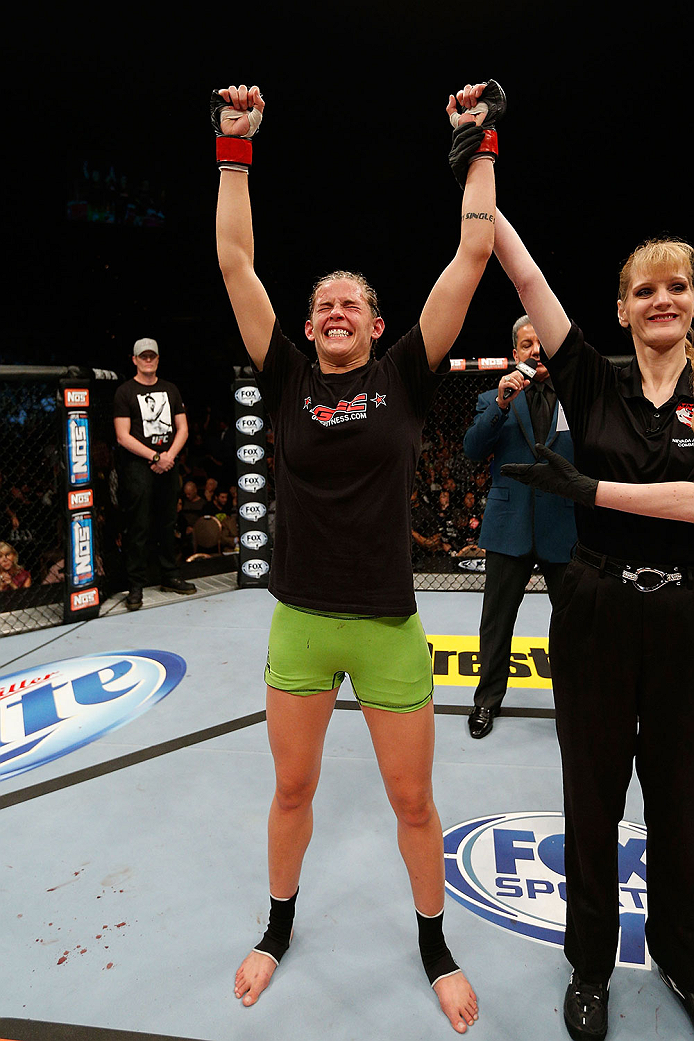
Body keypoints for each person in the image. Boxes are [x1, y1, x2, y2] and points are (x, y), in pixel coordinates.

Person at [214, 78, 504, 1032]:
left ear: (378, 326)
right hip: (300, 622)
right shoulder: (289, 375)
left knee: (413, 803)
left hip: (386, 625)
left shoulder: (404, 379)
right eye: (324, 302)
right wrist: (234, 147)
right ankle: (277, 927)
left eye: (354, 302)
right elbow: (234, 261)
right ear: (308, 326)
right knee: (292, 787)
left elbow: (471, 253)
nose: (337, 308)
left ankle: (435, 946)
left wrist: (480, 142)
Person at [490, 209, 694, 1039]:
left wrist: (592, 493)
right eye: (643, 289)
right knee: (591, 798)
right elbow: (528, 280)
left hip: (687, 611)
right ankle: (589, 967)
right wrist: (482, 166)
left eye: (676, 285)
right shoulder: (594, 381)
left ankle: (681, 952)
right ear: (620, 308)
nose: (661, 299)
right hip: (595, 604)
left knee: (682, 801)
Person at [462, 317, 576, 738]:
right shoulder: (493, 398)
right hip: (509, 527)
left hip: (563, 527)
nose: (536, 350)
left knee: (571, 626)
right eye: (527, 344)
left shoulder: (576, 397)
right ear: (515, 353)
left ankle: (575, 705)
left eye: (542, 342)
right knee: (496, 622)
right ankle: (486, 703)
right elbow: (473, 450)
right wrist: (502, 403)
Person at [113, 337, 197, 610]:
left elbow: (182, 428)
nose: (148, 360)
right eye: (143, 356)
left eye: (152, 356)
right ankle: (135, 585)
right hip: (139, 466)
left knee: (167, 522)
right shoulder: (125, 392)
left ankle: (169, 575)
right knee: (138, 525)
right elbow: (123, 436)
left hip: (168, 462)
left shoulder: (170, 390)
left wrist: (169, 456)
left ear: (158, 359)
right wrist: (155, 456)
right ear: (134, 359)